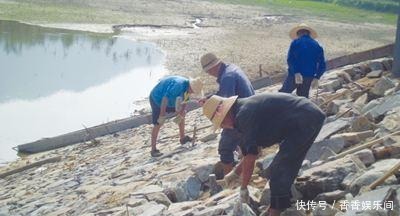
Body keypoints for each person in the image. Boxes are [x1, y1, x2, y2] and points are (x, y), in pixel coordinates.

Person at [202, 93, 325, 215]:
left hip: (305, 119)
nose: (224, 127)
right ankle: (280, 205)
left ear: (225, 114)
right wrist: (234, 174)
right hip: (304, 118)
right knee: (284, 164)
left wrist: (244, 188)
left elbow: (251, 157)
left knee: (280, 167)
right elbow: (253, 150)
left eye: (221, 123)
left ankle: (275, 210)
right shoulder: (242, 111)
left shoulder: (243, 115)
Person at [200, 52, 255, 175]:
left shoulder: (227, 77)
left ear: (214, 66)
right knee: (243, 145)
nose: (209, 74)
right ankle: (242, 170)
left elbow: (226, 105)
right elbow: (224, 93)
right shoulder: (231, 69)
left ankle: (229, 181)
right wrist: (210, 98)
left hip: (242, 114)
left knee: (225, 148)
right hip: (249, 109)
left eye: (209, 71)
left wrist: (223, 124)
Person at [149, 75, 203, 157]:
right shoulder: (178, 85)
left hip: (172, 100)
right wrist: (162, 114)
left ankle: (182, 138)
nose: (192, 93)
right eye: (193, 91)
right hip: (157, 98)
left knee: (182, 114)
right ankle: (153, 150)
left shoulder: (187, 88)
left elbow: (185, 100)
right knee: (158, 122)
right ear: (191, 86)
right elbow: (165, 99)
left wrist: (181, 112)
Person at [279, 23, 326, 98]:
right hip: (309, 76)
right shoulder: (317, 45)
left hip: (294, 76)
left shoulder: (295, 43)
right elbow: (322, 64)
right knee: (303, 97)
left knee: (283, 95)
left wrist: (296, 72)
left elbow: (290, 60)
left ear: (298, 33)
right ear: (308, 33)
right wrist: (317, 77)